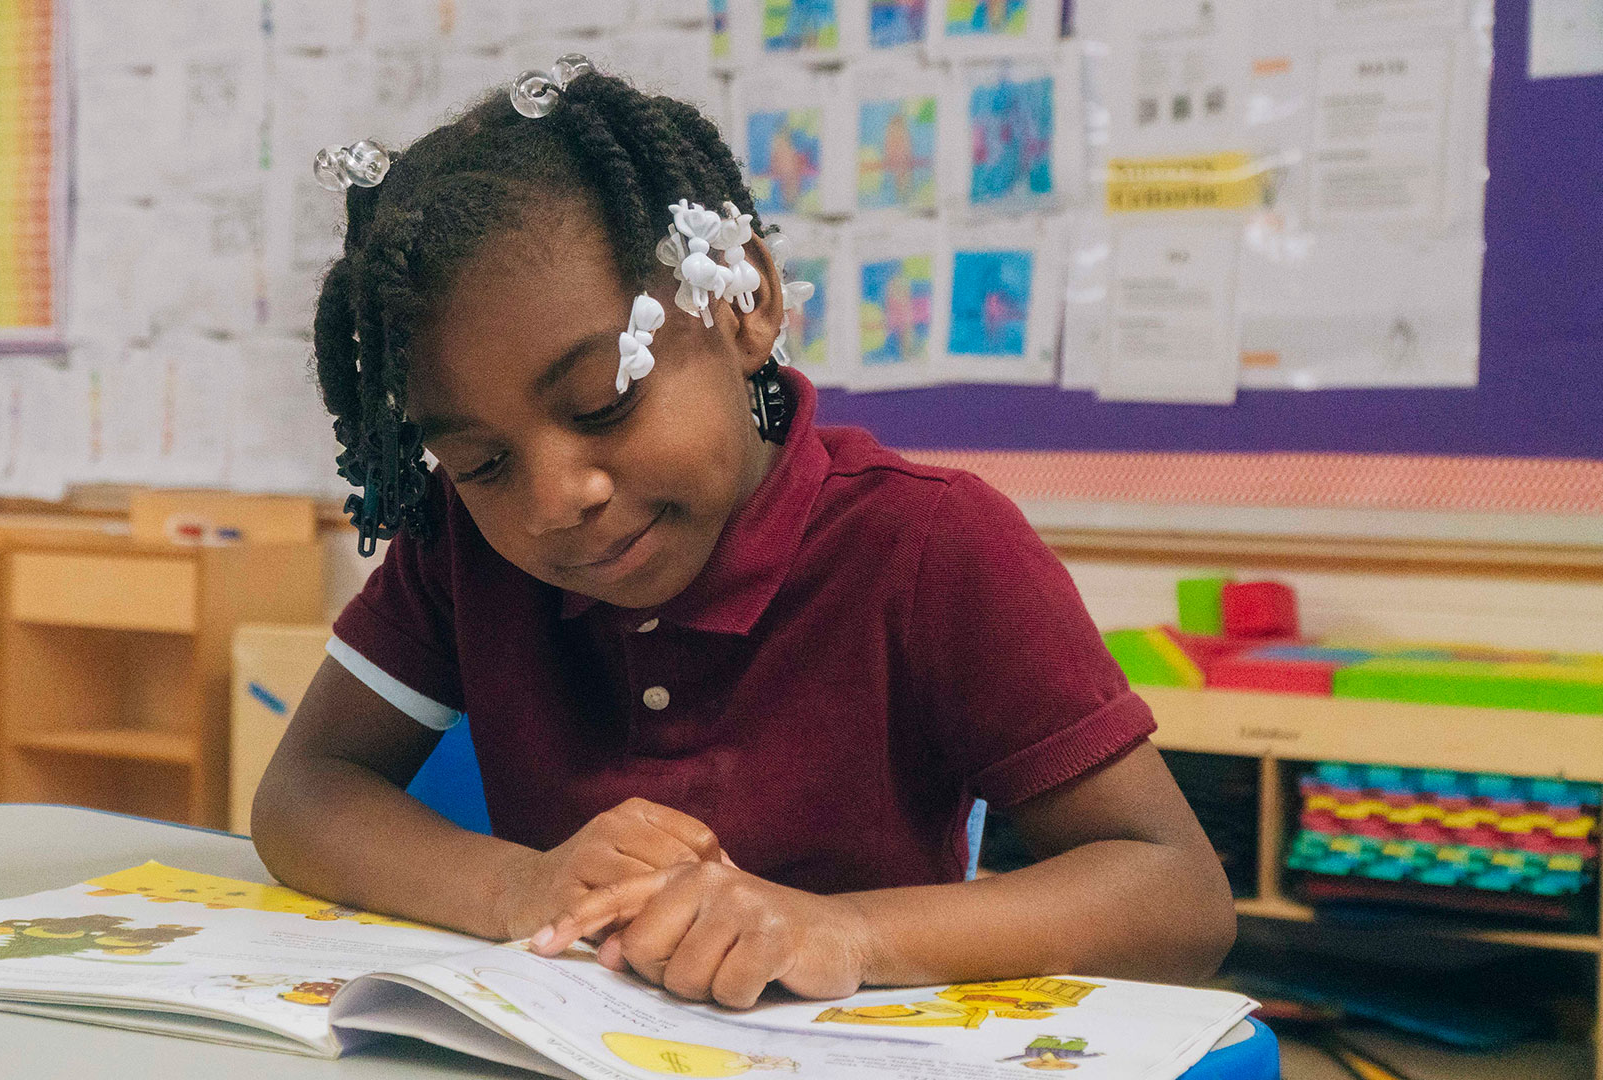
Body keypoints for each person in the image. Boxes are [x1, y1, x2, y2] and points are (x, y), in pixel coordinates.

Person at [253, 59, 1234, 1011]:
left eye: (602, 403)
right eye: (483, 463)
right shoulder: (463, 552)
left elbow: (1177, 896)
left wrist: (847, 935)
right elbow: (304, 793)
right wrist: (516, 887)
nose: (556, 499)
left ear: (743, 304)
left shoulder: (930, 544)